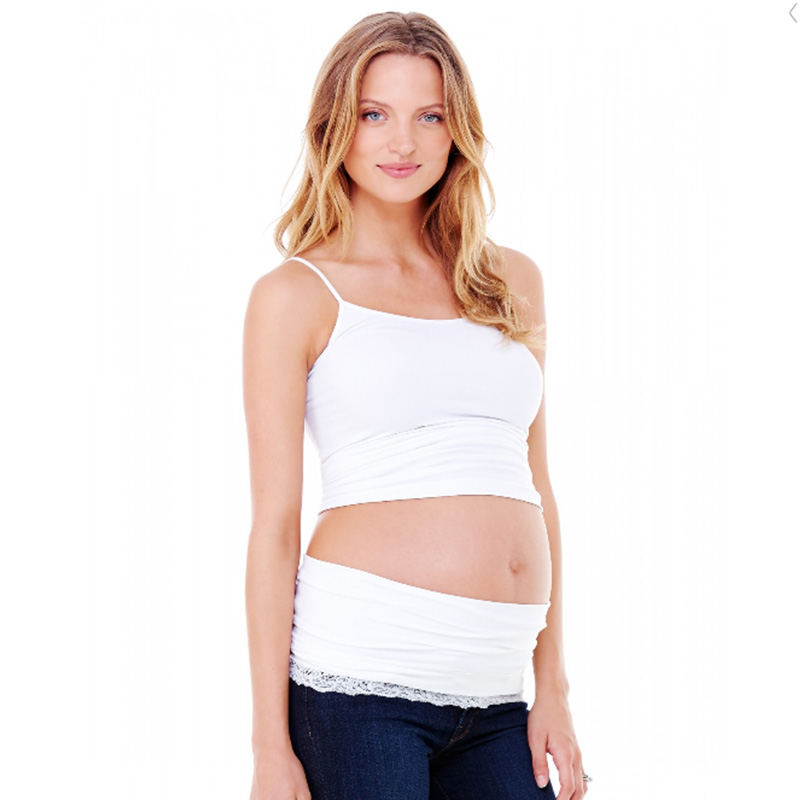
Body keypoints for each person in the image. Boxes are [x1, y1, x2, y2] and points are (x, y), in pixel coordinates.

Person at [243, 11, 590, 800]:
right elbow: (274, 526)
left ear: (456, 130)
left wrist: (554, 689)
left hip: (498, 697)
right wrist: (269, 746)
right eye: (375, 114)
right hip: (361, 689)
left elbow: (536, 487)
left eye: (428, 116)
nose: (402, 142)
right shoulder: (296, 295)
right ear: (336, 126)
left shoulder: (510, 281)